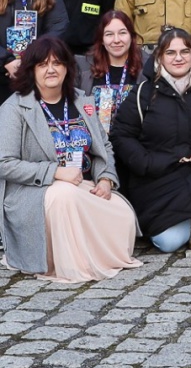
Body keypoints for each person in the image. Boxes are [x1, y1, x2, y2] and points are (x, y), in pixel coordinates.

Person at [0, 35, 141, 283]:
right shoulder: (14, 108)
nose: (51, 69)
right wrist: (54, 171)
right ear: (31, 70)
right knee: (64, 195)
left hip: (82, 185)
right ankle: (70, 263)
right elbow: (4, 164)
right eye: (42, 64)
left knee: (122, 213)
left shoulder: (81, 100)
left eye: (57, 63)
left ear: (67, 67)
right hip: (35, 192)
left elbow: (103, 146)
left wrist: (106, 178)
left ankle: (93, 255)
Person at [107, 29, 191, 252]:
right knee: (169, 242)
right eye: (170, 53)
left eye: (184, 52)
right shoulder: (143, 93)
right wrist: (145, 162)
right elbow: (121, 135)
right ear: (160, 57)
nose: (178, 58)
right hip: (157, 178)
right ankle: (184, 219)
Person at [76, 10, 150, 136]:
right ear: (102, 39)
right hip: (96, 141)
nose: (116, 40)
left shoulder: (147, 67)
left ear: (131, 37)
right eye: (109, 34)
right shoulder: (84, 67)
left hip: (135, 140)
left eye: (122, 33)